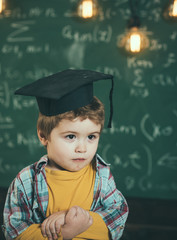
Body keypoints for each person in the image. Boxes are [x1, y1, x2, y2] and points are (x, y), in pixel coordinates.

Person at [3, 69, 128, 240]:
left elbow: (118, 217)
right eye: (70, 136)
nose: (82, 148)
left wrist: (79, 220)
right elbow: (14, 232)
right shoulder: (26, 181)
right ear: (43, 136)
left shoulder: (102, 176)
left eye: (91, 137)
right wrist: (68, 231)